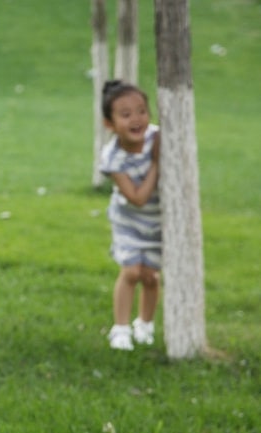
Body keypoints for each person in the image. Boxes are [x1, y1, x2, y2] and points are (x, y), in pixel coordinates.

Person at [99, 80, 161, 351]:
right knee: (132, 271)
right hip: (129, 221)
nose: (136, 119)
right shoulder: (112, 157)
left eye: (141, 111)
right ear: (109, 124)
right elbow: (136, 198)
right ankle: (120, 328)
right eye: (125, 115)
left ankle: (145, 325)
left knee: (150, 275)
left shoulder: (158, 138)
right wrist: (157, 164)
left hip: (159, 221)